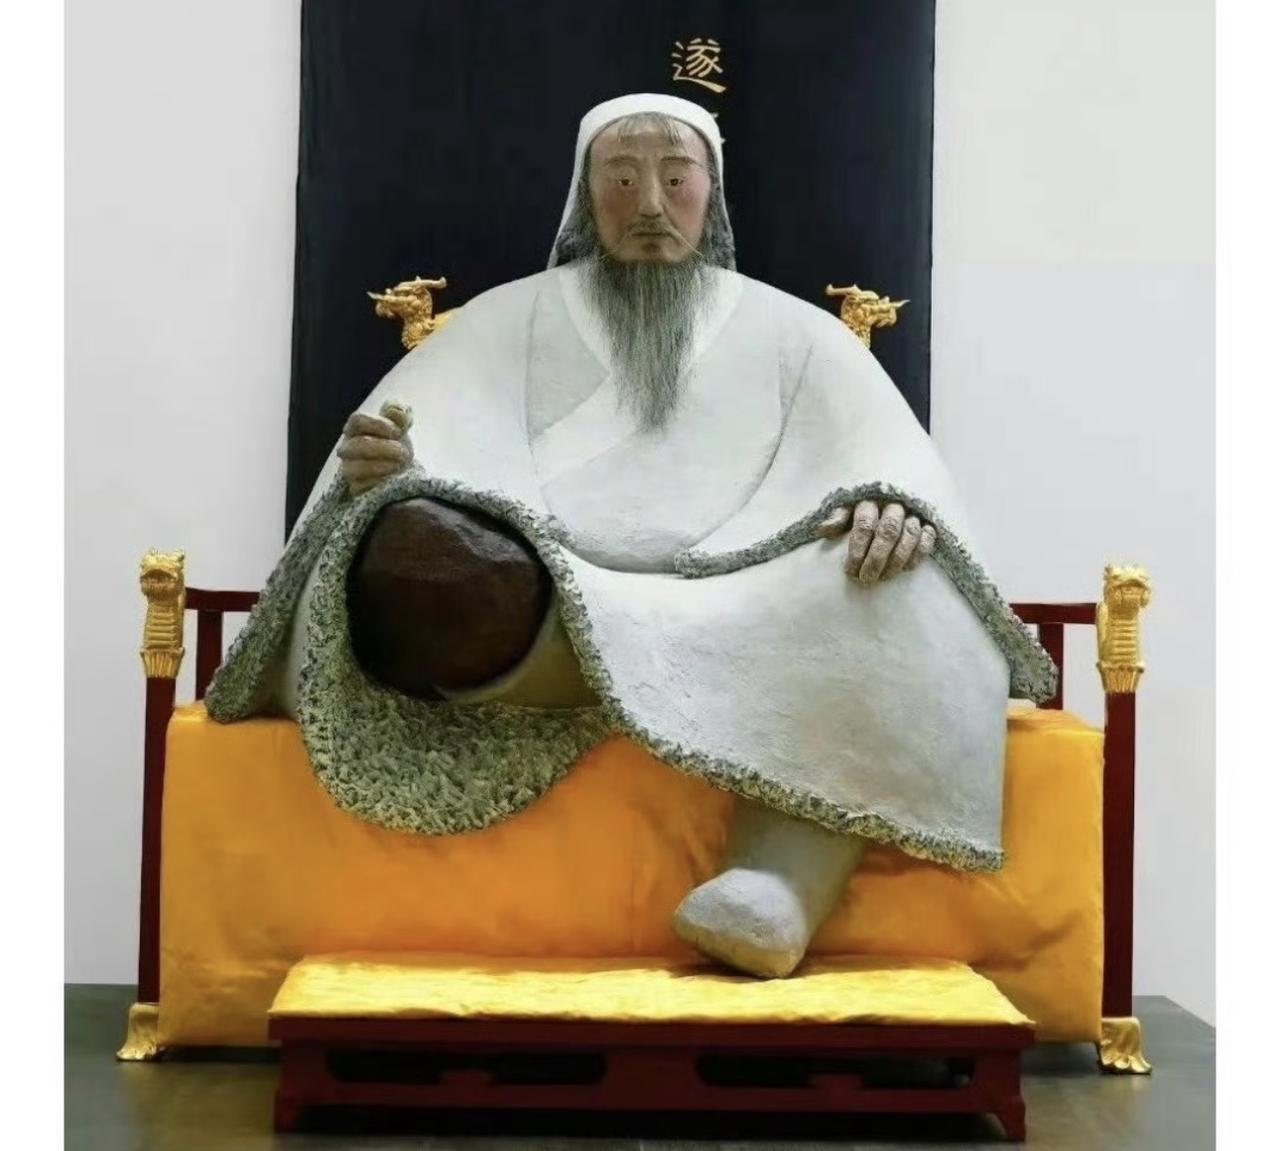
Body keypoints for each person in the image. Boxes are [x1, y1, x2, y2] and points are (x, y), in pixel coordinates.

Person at [208, 93, 1054, 979]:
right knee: (410, 551)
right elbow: (412, 442)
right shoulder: (509, 321)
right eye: (620, 180)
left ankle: (778, 884)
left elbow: (884, 453)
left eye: (675, 179)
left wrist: (893, 499)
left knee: (895, 578)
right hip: (548, 617)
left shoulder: (793, 334)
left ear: (710, 194)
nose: (650, 204)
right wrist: (385, 469)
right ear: (586, 197)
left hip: (758, 617)